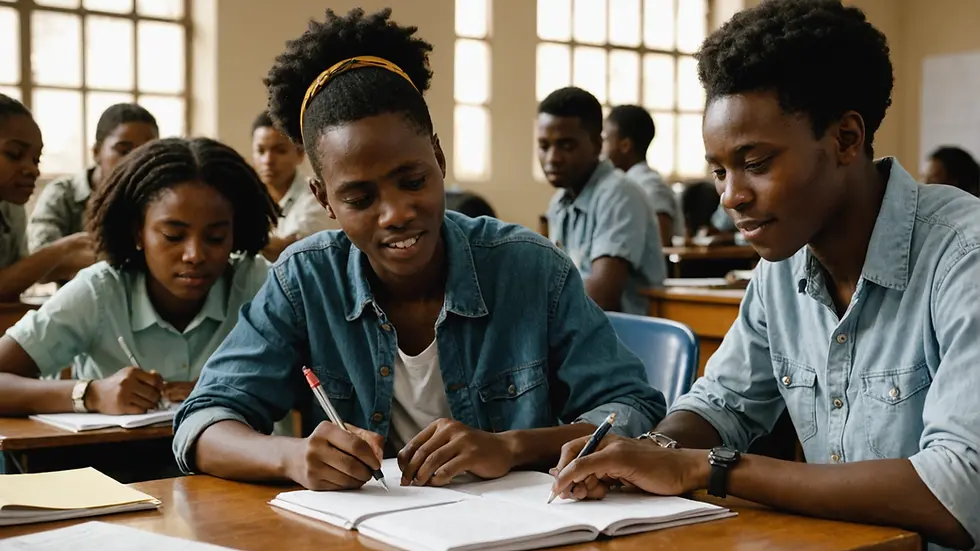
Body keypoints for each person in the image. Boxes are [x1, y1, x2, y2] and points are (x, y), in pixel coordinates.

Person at [173, 7, 665, 492]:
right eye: (359, 198)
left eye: (413, 181)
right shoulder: (304, 280)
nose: (395, 214)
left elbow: (631, 407)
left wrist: (512, 446)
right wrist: (293, 456)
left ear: (439, 157)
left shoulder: (530, 268)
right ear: (323, 199)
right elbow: (203, 421)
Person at [549, 2, 977, 550]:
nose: (731, 196)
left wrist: (709, 468)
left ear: (846, 138)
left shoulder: (964, 255)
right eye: (719, 170)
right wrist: (648, 452)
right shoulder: (781, 267)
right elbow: (720, 405)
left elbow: (958, 490)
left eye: (756, 163)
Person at [0, 137, 275, 417]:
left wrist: (231, 389)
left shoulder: (259, 283)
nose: (195, 255)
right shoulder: (100, 290)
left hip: (241, 460)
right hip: (115, 459)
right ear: (138, 233)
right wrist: (91, 393)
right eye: (173, 236)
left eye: (216, 237)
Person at [539, 87, 666, 314]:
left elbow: (600, 297)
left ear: (597, 145)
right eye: (544, 146)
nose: (552, 159)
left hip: (628, 341)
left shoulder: (619, 194)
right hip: (576, 335)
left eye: (566, 145)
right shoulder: (560, 202)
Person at [0, 94, 96, 300]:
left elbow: (11, 291)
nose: (32, 170)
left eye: (36, 160)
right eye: (14, 154)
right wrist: (63, 249)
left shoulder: (11, 206)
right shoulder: (63, 194)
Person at [28, 103, 158, 254]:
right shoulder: (63, 195)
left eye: (147, 152)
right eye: (124, 151)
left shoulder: (158, 196)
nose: (136, 161)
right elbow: (41, 260)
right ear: (96, 152)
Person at [251, 111, 334, 261]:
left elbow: (289, 250)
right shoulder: (246, 198)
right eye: (261, 151)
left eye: (280, 151)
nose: (268, 160)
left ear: (300, 153)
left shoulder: (317, 198)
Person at [602, 105, 677, 247]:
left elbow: (660, 243)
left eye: (605, 140)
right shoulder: (623, 182)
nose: (600, 148)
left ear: (625, 146)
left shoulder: (649, 186)